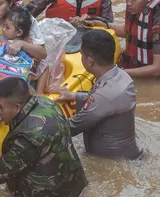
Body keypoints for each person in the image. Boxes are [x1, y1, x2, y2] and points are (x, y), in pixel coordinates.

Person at [53, 30, 141, 159]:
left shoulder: (104, 96)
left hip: (111, 163)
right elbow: (103, 102)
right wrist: (74, 96)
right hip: (127, 154)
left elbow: (72, 127)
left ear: (90, 61)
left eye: (82, 55)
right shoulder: (123, 76)